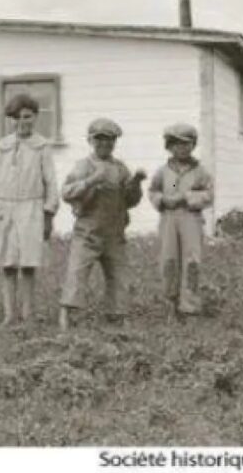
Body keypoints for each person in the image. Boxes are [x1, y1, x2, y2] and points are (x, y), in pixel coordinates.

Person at [58, 118, 147, 330]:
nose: (105, 144)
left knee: (119, 274)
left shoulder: (120, 168)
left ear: (115, 142)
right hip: (87, 232)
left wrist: (136, 182)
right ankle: (67, 313)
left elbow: (131, 200)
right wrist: (90, 182)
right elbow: (66, 192)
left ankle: (118, 315)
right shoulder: (83, 166)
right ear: (90, 140)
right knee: (77, 272)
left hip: (114, 233)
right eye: (100, 140)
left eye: (109, 140)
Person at [0, 93, 60, 326]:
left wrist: (49, 213)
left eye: (26, 116)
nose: (21, 122)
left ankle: (28, 313)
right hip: (4, 209)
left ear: (35, 117)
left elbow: (51, 182)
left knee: (27, 263)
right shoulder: (0, 147)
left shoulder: (42, 147)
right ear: (10, 120)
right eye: (16, 118)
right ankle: (9, 313)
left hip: (31, 208)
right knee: (7, 263)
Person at [147, 123, 214, 320]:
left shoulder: (200, 171)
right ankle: (171, 303)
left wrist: (188, 197)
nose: (181, 148)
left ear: (193, 145)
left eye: (186, 144)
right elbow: (153, 191)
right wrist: (161, 200)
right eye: (176, 144)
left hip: (190, 218)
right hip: (168, 218)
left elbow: (209, 194)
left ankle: (190, 306)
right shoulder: (163, 171)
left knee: (191, 260)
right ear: (169, 146)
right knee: (169, 260)